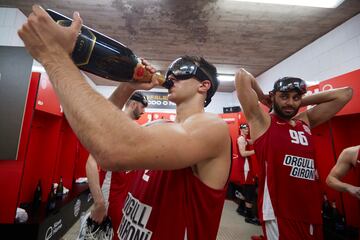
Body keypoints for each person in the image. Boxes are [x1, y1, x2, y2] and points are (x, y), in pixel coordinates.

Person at [18, 6, 231, 240]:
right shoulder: (159, 127)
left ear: (204, 85)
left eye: (183, 71)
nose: (172, 76)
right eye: (171, 71)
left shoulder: (213, 128)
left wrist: (53, 56)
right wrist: (128, 86)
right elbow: (103, 139)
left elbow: (113, 151)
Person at [235, 69, 353, 240]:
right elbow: (242, 75)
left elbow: (345, 94)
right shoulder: (263, 122)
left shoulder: (304, 121)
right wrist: (263, 98)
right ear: (273, 96)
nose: (290, 102)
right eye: (284, 96)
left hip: (310, 210)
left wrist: (297, 99)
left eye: (295, 98)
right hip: (279, 211)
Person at [86, 91, 148, 240]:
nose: (144, 111)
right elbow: (91, 163)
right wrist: (99, 202)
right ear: (133, 104)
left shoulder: (135, 131)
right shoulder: (112, 128)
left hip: (126, 197)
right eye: (142, 107)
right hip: (110, 196)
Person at [236, 123, 260, 225]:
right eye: (245, 129)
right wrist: (256, 151)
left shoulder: (245, 139)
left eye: (247, 128)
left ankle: (241, 208)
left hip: (247, 167)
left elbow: (253, 141)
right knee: (249, 190)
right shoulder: (241, 139)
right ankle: (249, 216)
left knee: (246, 189)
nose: (247, 130)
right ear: (241, 129)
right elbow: (243, 153)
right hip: (245, 168)